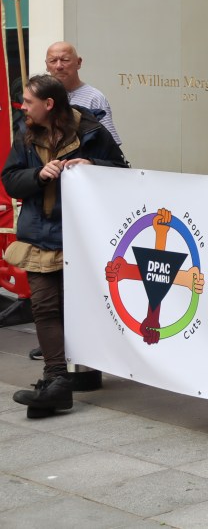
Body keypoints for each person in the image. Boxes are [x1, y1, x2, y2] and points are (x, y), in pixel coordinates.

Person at [2, 75, 129, 418]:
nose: (23, 107)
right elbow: (10, 179)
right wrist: (37, 176)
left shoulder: (91, 131)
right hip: (41, 236)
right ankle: (56, 380)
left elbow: (124, 173)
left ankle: (73, 377)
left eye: (28, 102)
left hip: (81, 237)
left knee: (76, 307)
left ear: (49, 105)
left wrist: (93, 166)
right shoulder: (26, 133)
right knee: (44, 306)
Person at [45, 41, 121, 145]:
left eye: (65, 60)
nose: (59, 66)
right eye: (53, 61)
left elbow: (110, 144)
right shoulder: (42, 97)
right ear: (46, 65)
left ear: (79, 62)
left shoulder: (94, 98)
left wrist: (88, 161)